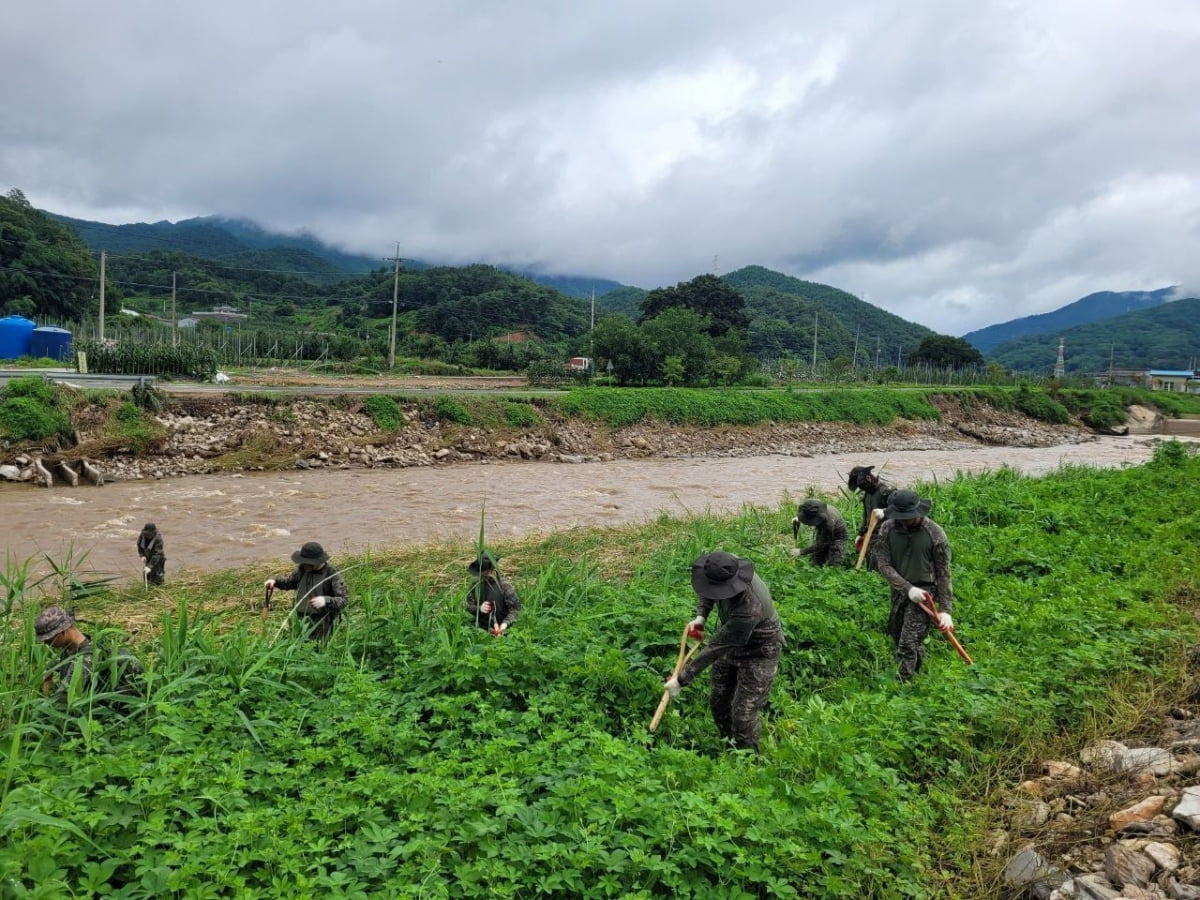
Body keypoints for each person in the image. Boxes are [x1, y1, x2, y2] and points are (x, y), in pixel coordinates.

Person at [664, 551, 784, 751]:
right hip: (729, 640)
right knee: (719, 702)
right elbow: (708, 587)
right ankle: (729, 747)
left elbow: (717, 647)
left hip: (759, 650)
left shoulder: (749, 608)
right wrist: (701, 616)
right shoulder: (724, 567)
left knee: (743, 714)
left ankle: (748, 760)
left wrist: (682, 679)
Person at [869, 489, 955, 682]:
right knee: (897, 633)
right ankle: (919, 669)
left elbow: (944, 574)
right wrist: (907, 589)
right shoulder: (887, 528)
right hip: (900, 590)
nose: (902, 521)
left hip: (926, 593)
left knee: (907, 642)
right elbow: (883, 565)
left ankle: (903, 685)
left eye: (906, 517)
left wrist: (945, 610)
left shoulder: (935, 534)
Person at [35, 606, 143, 698]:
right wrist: (49, 671)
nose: (46, 643)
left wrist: (45, 694)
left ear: (63, 631)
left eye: (49, 639)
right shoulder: (71, 649)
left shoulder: (85, 659)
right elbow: (61, 663)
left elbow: (63, 699)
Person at [265, 542, 349, 641]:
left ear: (316, 562)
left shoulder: (332, 574)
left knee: (319, 651)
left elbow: (343, 600)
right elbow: (290, 582)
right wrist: (275, 582)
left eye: (307, 562)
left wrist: (326, 600)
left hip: (323, 623)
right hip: (301, 621)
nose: (303, 564)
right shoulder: (302, 570)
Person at [463, 551, 521, 636]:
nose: (484, 576)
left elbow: (515, 609)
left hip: (505, 628)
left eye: (486, 573)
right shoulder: (476, 585)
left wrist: (505, 624)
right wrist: (479, 609)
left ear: (493, 569)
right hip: (481, 628)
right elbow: (467, 605)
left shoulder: (504, 585)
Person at [847, 465, 896, 562]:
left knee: (882, 561)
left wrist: (885, 512)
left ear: (868, 478)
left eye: (863, 485)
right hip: (871, 534)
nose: (863, 489)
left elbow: (900, 508)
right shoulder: (867, 494)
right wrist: (861, 533)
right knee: (870, 559)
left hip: (887, 535)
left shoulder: (886, 491)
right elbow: (866, 515)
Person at [791, 499, 848, 567]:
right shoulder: (816, 508)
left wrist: (801, 551)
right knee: (817, 559)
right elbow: (808, 512)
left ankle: (833, 571)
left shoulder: (828, 524)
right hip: (823, 529)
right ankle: (817, 569)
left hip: (838, 535)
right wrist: (799, 518)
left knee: (834, 562)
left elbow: (820, 545)